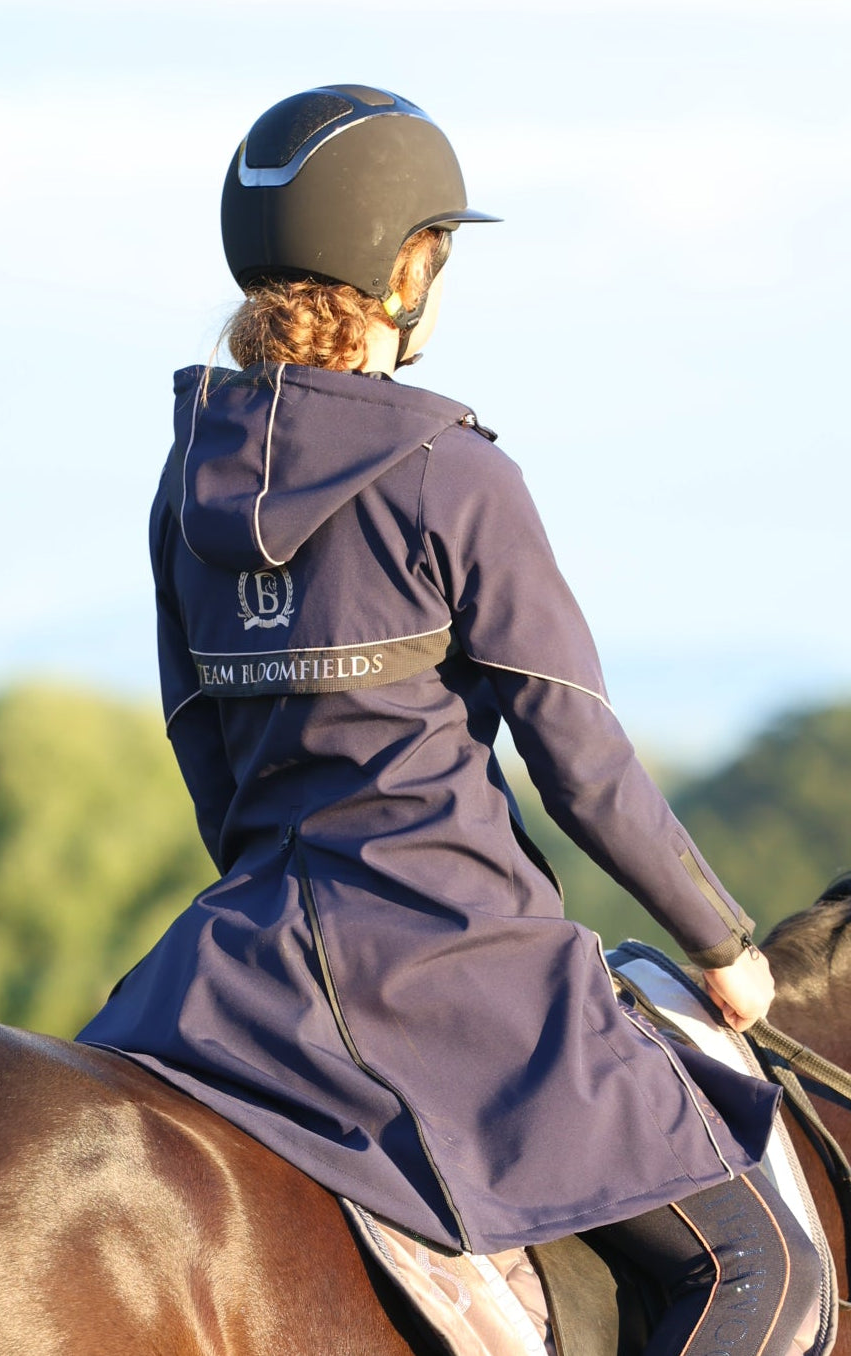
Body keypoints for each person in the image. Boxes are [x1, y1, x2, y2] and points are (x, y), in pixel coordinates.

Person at [77, 85, 819, 1355]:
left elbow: (202, 746)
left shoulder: (185, 481)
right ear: (405, 267)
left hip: (237, 971)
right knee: (766, 1268)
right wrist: (719, 942)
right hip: (462, 967)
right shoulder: (454, 472)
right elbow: (578, 757)